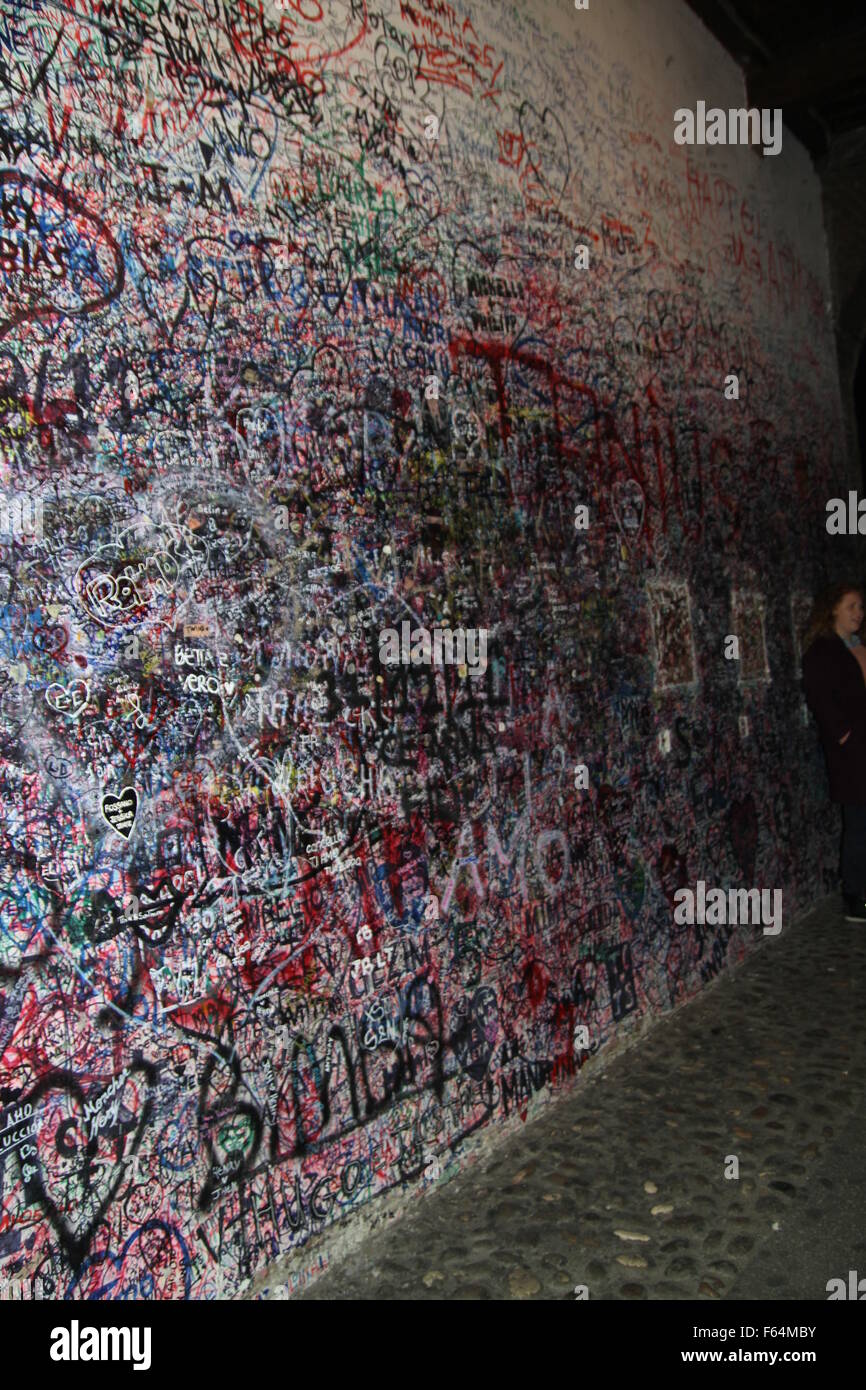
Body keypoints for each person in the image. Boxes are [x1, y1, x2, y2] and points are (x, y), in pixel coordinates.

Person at [802, 583, 866, 921]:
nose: (858, 613)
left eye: (860, 607)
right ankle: (854, 896)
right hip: (853, 751)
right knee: (858, 820)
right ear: (834, 610)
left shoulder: (854, 647)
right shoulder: (824, 651)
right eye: (852, 606)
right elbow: (821, 698)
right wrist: (845, 736)